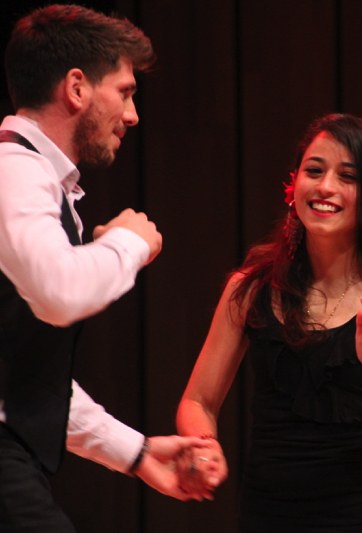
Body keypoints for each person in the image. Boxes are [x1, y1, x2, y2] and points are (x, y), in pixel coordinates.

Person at [176, 113, 362, 531]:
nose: (325, 187)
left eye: (347, 176)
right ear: (294, 184)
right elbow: (198, 401)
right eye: (314, 171)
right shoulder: (249, 287)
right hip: (267, 514)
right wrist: (203, 446)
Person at [0, 4, 212, 530]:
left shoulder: (34, 179)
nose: (133, 115)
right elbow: (59, 293)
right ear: (77, 88)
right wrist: (128, 242)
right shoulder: (16, 172)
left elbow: (28, 384)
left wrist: (136, 453)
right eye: (125, 91)